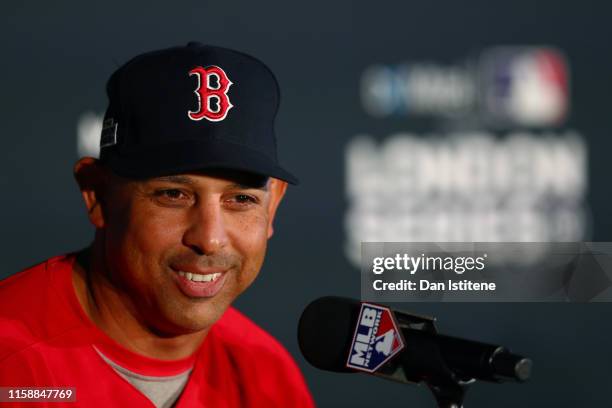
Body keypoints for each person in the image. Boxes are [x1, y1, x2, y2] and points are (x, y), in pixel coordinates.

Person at [0, 42, 315, 408]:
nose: (210, 239)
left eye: (241, 200)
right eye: (173, 194)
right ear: (98, 195)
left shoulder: (266, 374)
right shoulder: (10, 360)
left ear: (272, 206)